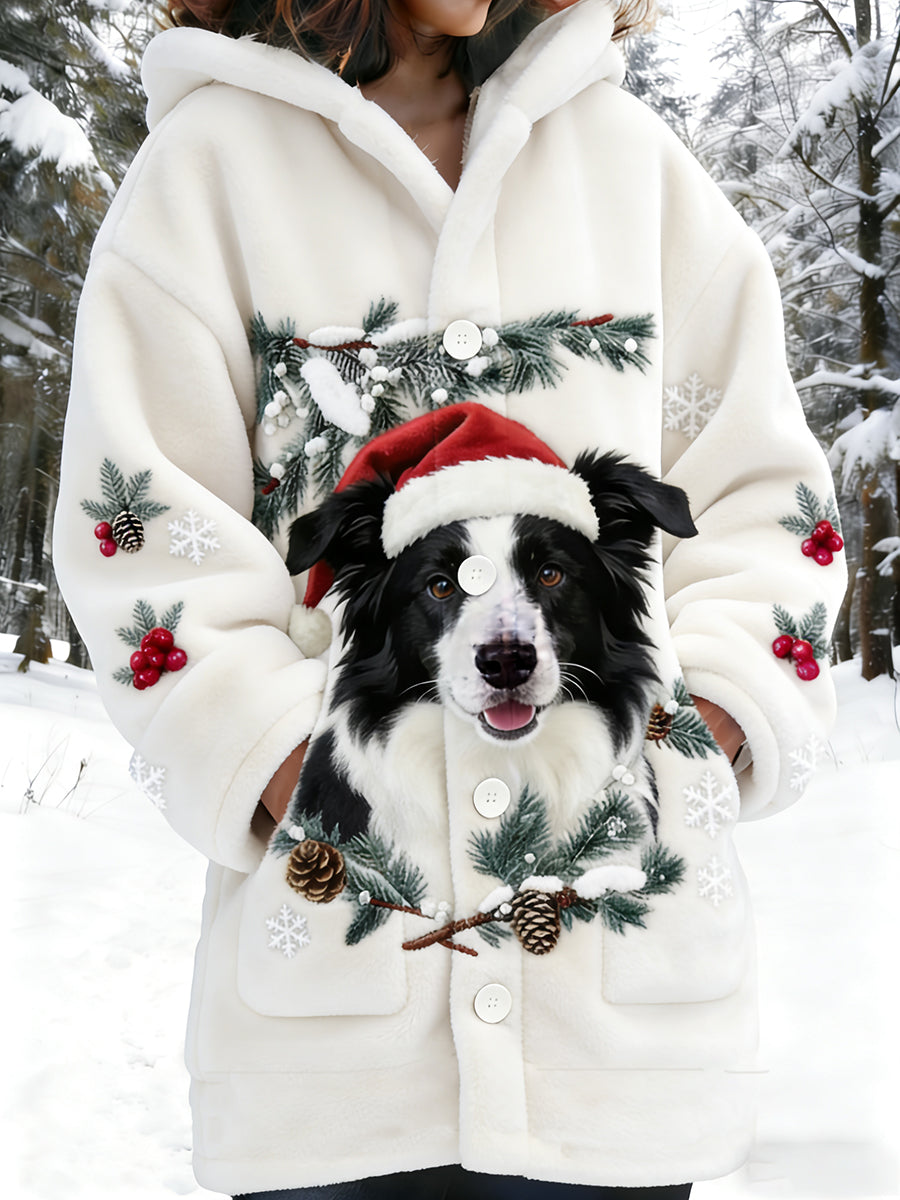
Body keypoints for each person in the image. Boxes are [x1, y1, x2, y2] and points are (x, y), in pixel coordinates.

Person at [52, 0, 848, 1196]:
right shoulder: (206, 172)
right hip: (336, 1031)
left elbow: (767, 504)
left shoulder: (636, 170)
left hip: (620, 1029)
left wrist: (708, 736)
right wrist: (293, 771)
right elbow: (142, 536)